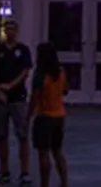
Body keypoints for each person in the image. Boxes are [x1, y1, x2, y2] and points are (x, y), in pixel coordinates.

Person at [0, 20, 32, 185]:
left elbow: (25, 72)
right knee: (2, 135)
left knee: (22, 135)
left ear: (17, 30)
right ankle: (4, 171)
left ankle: (24, 172)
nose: (9, 32)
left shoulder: (23, 50)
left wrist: (10, 86)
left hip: (18, 98)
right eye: (6, 29)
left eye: (12, 28)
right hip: (0, 100)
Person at [30, 42, 69, 187]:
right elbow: (65, 90)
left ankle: (44, 183)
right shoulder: (60, 72)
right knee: (58, 151)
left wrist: (29, 116)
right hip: (59, 115)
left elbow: (34, 97)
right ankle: (64, 182)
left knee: (43, 152)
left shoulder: (40, 74)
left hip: (44, 115)